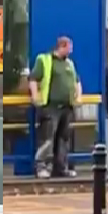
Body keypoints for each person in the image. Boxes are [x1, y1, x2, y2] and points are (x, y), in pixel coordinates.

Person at [29, 36, 82, 179]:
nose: (71, 51)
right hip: (50, 106)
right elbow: (33, 78)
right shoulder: (45, 60)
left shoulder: (69, 63)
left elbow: (77, 81)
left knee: (63, 138)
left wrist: (78, 96)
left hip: (67, 106)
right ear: (62, 46)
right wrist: (35, 96)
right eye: (69, 47)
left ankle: (61, 167)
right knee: (48, 138)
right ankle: (41, 167)